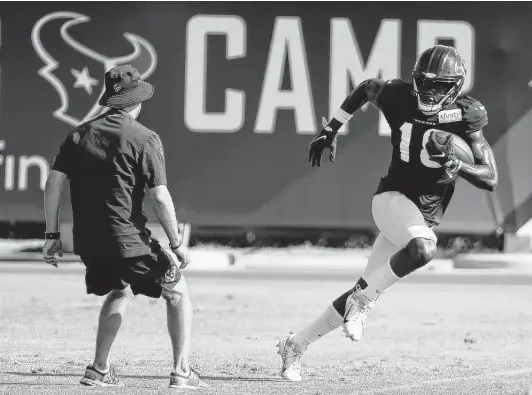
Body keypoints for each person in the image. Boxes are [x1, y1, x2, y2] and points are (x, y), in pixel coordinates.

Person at [277, 45, 499, 382]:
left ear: (455, 86)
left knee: (364, 288)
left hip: (418, 216)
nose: (428, 91)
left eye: (438, 85)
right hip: (391, 200)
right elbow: (367, 87)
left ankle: (295, 344)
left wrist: (460, 165)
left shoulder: (467, 114)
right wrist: (332, 128)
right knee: (423, 250)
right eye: (424, 83)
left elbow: (491, 177)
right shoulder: (398, 96)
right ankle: (363, 302)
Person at [42, 65, 208, 389]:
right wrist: (176, 244)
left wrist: (51, 236)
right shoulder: (145, 138)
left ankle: (99, 370)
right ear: (137, 101)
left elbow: (52, 182)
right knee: (177, 290)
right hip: (128, 241)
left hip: (88, 241)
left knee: (121, 287)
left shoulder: (78, 134)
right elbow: (160, 197)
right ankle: (182, 372)